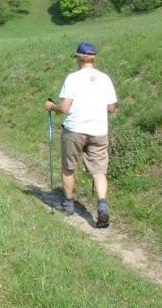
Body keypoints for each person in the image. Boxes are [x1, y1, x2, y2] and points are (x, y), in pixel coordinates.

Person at [45, 42, 117, 228]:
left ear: (78, 57)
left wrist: (52, 107)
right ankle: (102, 205)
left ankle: (68, 203)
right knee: (99, 171)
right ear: (93, 58)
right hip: (99, 130)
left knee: (68, 167)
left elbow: (65, 108)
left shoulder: (73, 78)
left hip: (75, 129)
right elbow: (111, 108)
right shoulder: (105, 78)